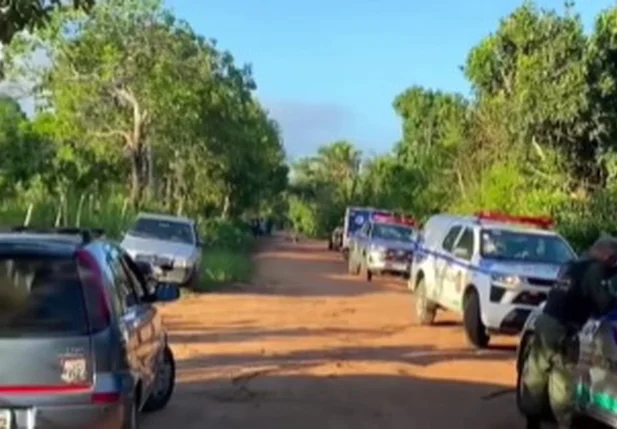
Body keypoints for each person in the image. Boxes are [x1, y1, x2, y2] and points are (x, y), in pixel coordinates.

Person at [520, 235, 617, 429]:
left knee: (536, 376)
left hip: (545, 321)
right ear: (606, 253)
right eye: (614, 258)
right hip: (563, 330)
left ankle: (532, 423)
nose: (613, 262)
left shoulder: (574, 266)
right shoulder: (595, 270)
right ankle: (565, 424)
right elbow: (604, 304)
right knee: (561, 383)